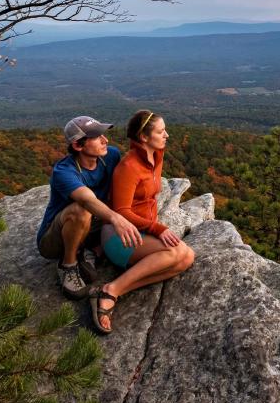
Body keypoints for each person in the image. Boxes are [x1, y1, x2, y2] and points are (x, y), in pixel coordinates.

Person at [90, 109, 195, 334]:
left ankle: (120, 288)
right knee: (176, 253)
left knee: (187, 259)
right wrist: (157, 228)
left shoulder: (156, 155)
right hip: (119, 235)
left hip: (141, 232)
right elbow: (120, 212)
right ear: (144, 137)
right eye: (161, 131)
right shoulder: (128, 167)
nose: (166, 135)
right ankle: (110, 290)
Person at [37, 115, 142, 300]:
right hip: (54, 239)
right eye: (97, 137)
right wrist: (117, 219)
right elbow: (87, 201)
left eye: (103, 135)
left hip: (92, 227)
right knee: (81, 210)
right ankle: (68, 264)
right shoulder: (64, 172)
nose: (105, 140)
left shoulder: (111, 155)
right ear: (78, 145)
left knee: (118, 204)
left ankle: (91, 251)